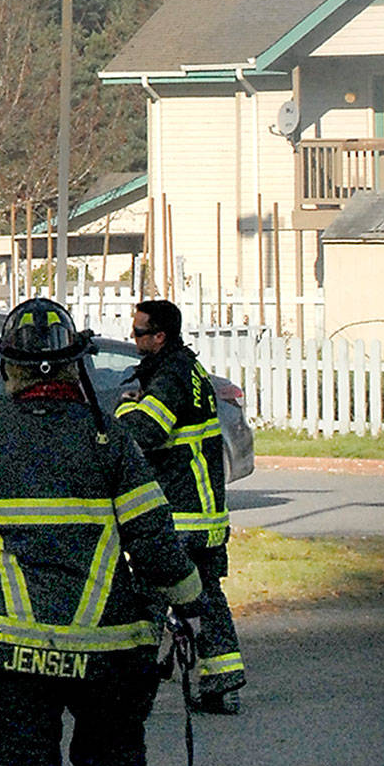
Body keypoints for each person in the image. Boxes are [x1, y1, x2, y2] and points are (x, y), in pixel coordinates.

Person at [0, 297, 205, 766]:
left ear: (9, 366)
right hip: (107, 649)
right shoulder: (111, 440)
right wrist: (191, 604)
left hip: (13, 653)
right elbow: (155, 541)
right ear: (77, 363)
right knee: (112, 765)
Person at [116, 298, 246, 714]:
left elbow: (145, 433)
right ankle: (223, 683)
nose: (133, 339)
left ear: (160, 336)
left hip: (176, 517)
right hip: (205, 516)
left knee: (148, 601)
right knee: (205, 596)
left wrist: (125, 406)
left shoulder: (170, 375)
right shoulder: (188, 371)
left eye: (139, 333)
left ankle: (134, 694)